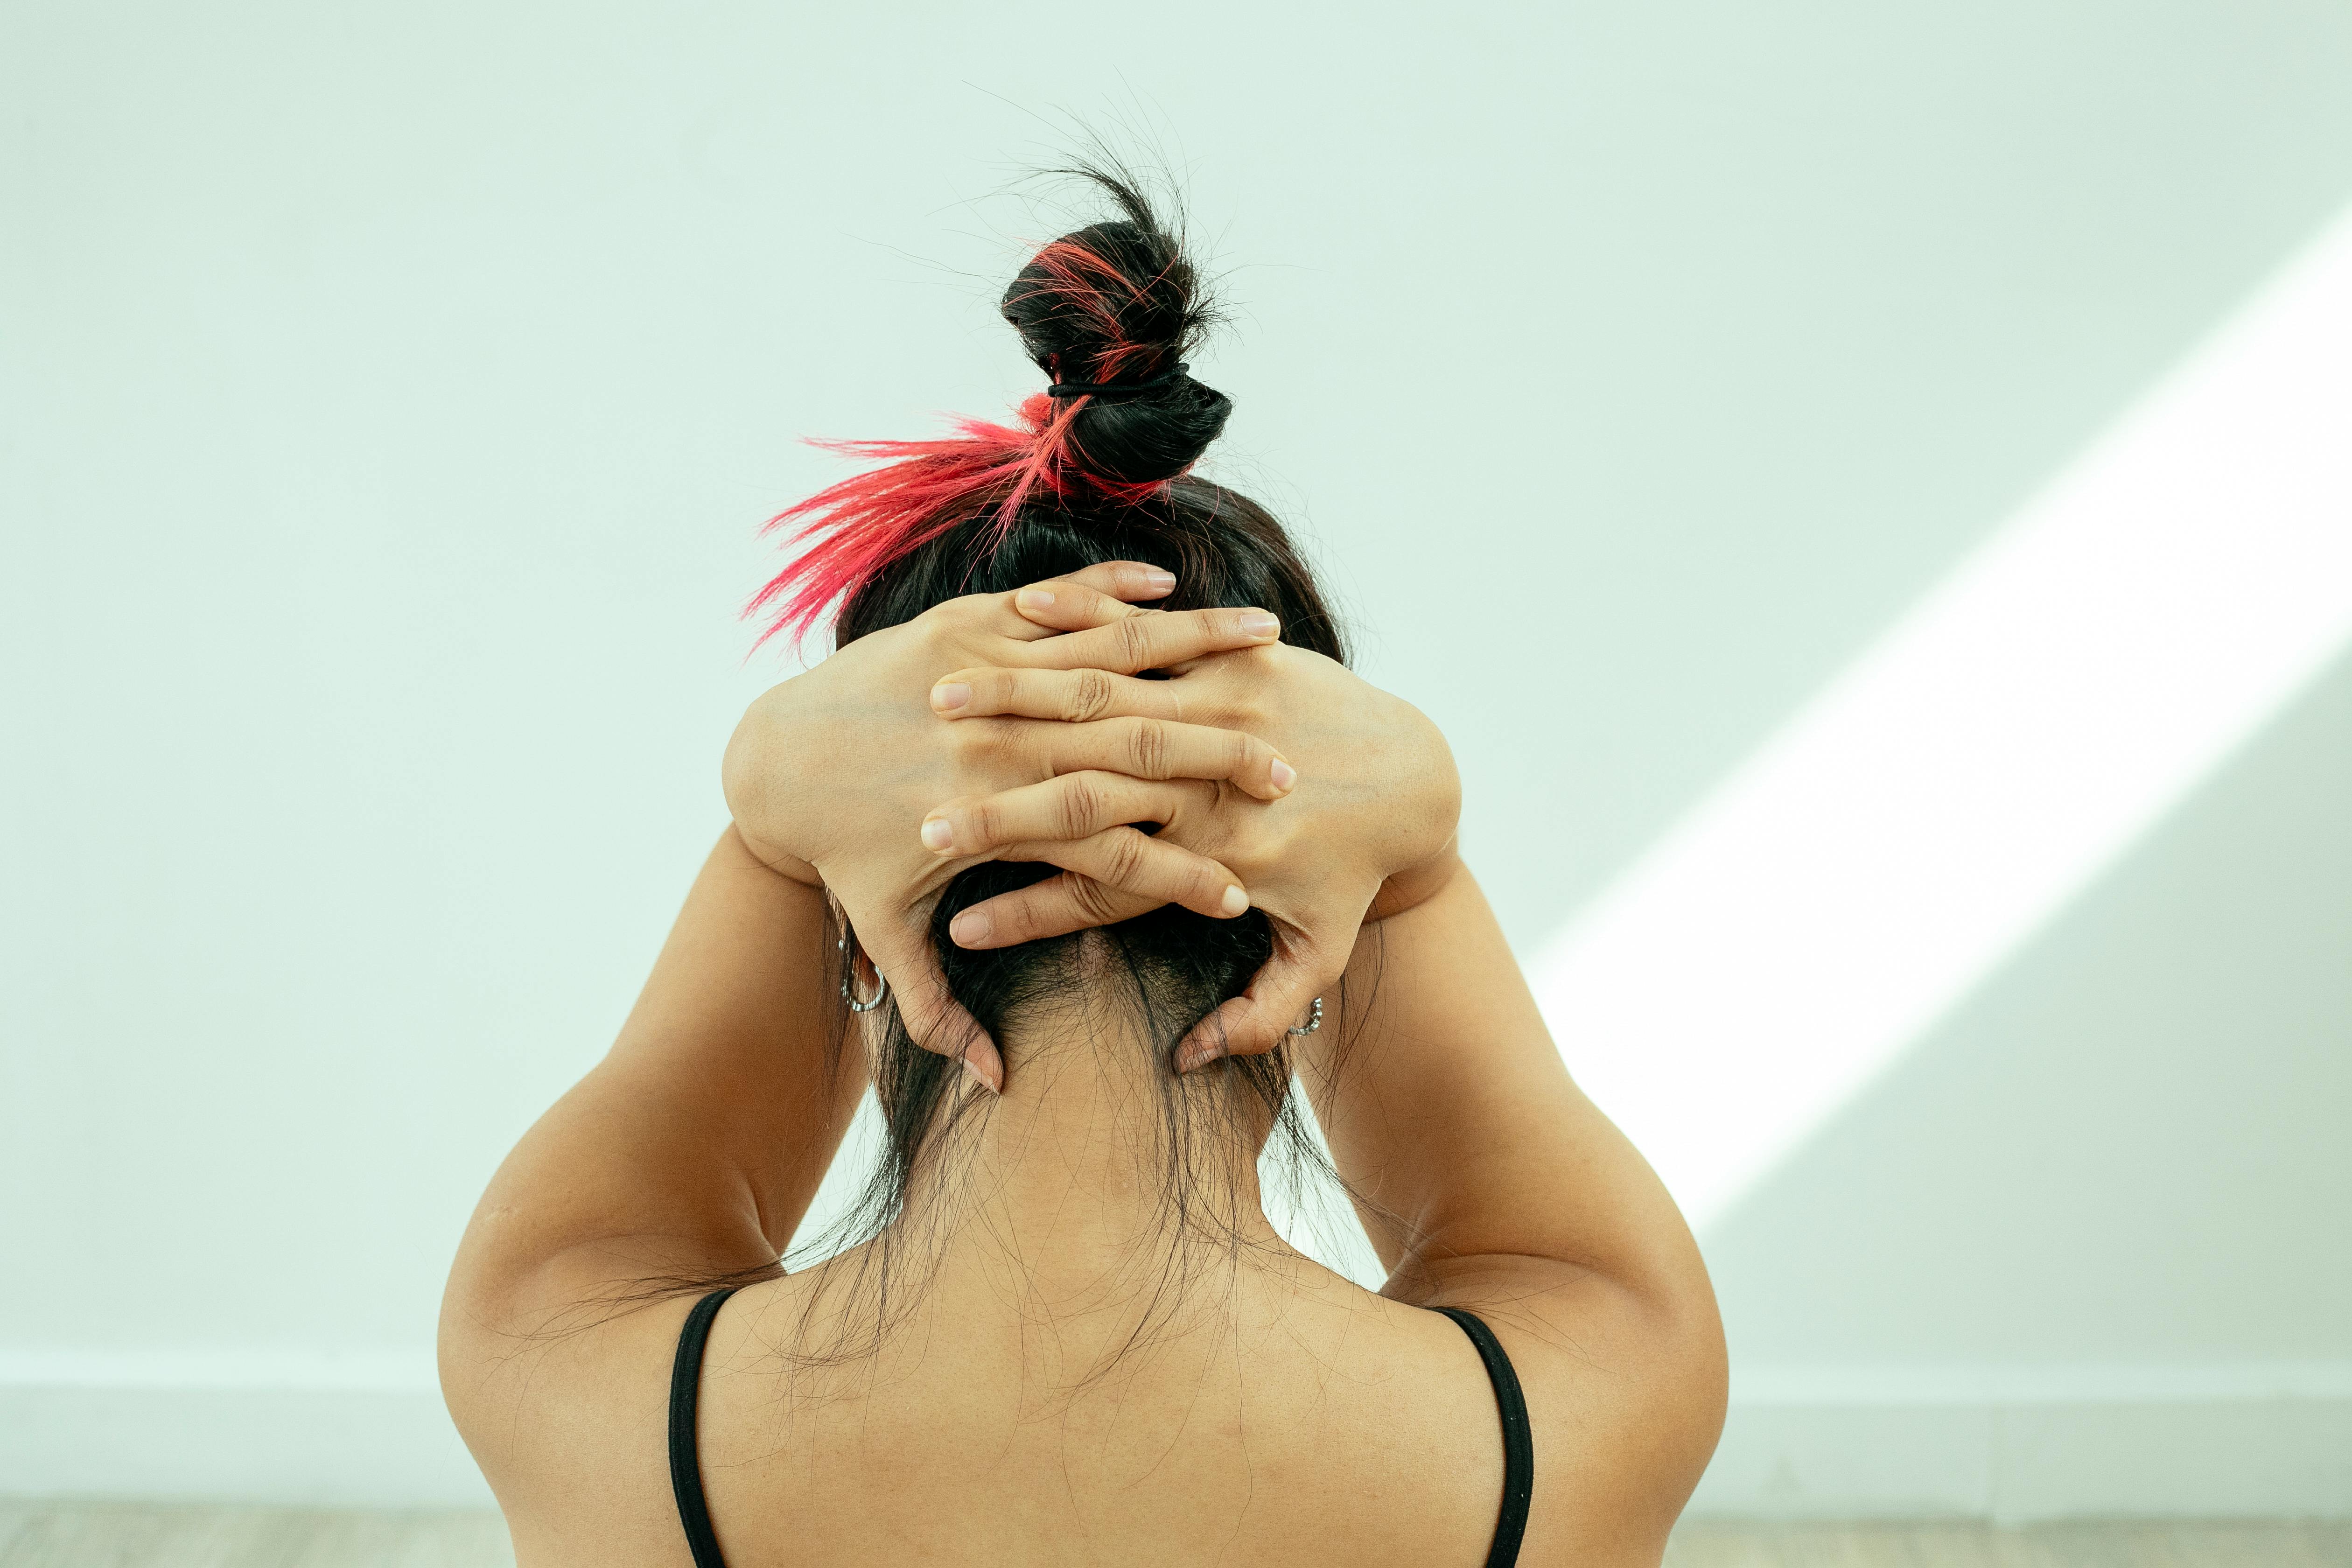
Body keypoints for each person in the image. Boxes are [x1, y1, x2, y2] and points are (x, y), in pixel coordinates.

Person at [439, 170, 1725, 1567]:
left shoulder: (580, 1374)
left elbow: (677, 1126)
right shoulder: (1577, 1406)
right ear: (1317, 934)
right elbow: (1514, 1201)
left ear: (859, 932)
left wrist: (771, 802)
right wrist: (1415, 829)